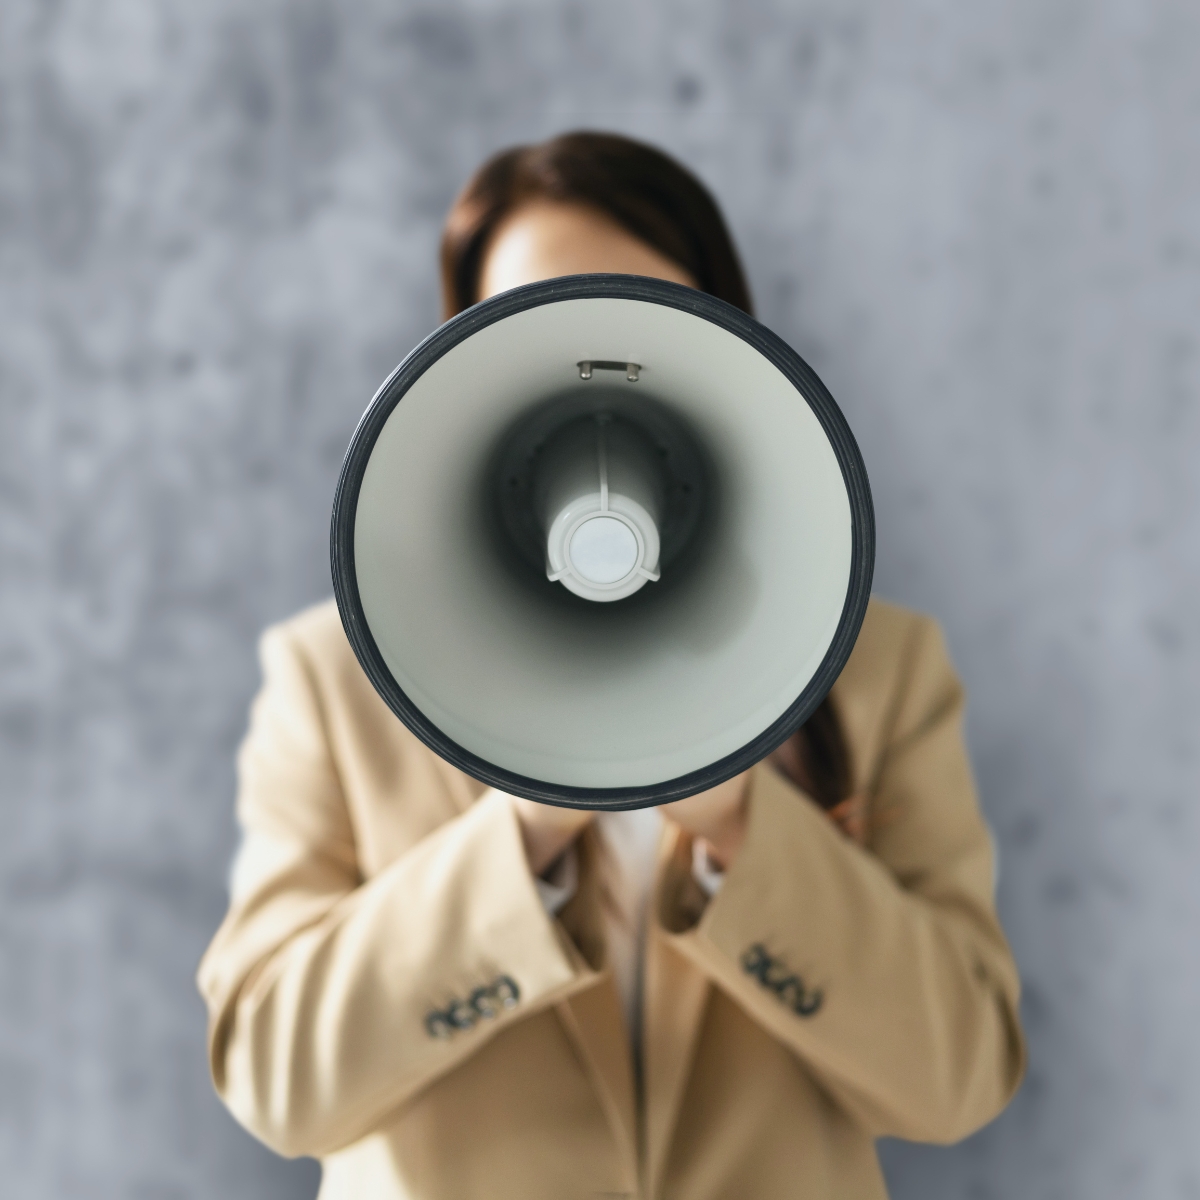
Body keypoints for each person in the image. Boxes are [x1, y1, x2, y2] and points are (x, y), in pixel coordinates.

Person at [198, 131, 1024, 1200]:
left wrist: (744, 828)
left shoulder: (877, 672)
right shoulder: (332, 681)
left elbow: (958, 1081)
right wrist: (520, 833)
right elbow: (276, 1082)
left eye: (643, 321)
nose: (596, 360)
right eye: (537, 323)